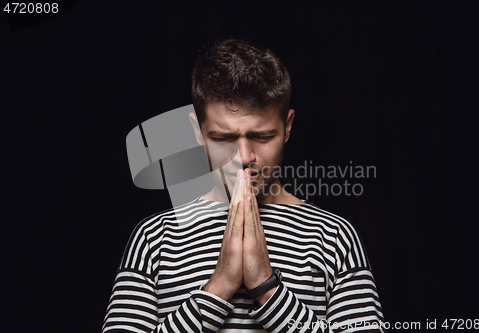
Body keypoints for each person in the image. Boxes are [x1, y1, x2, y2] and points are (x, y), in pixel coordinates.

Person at [102, 39, 384, 332]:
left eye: (262, 136)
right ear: (197, 131)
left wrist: (266, 287)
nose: (244, 157)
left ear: (287, 127)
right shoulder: (153, 239)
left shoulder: (335, 238)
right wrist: (220, 285)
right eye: (223, 138)